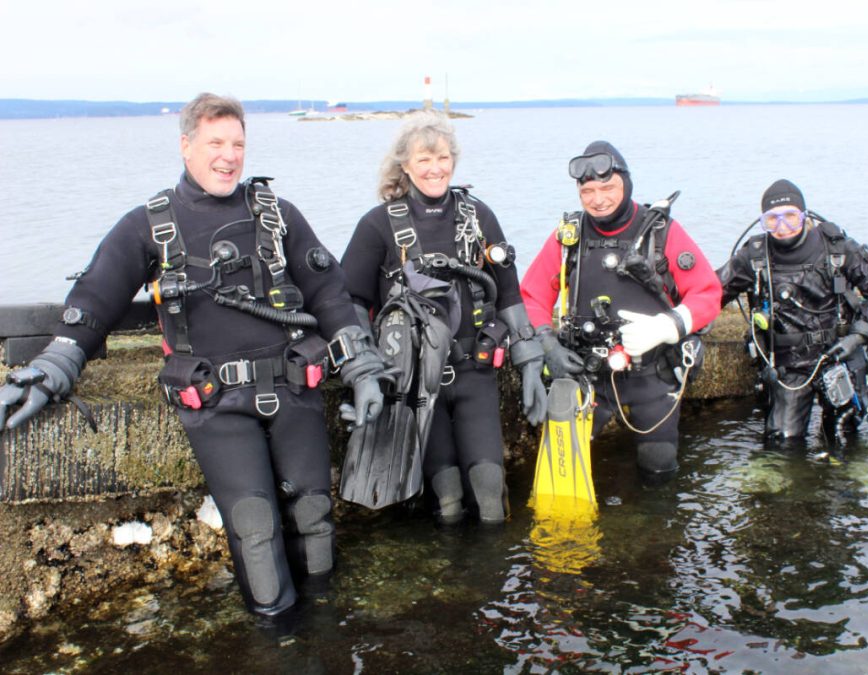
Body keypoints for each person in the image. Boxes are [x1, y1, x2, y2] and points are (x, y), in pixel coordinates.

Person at [0, 93, 385, 621]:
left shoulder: (278, 216)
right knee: (254, 527)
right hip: (215, 402)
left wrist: (362, 367)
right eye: (215, 143)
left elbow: (330, 296)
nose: (229, 156)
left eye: (238, 144)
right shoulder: (150, 224)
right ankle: (278, 639)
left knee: (315, 516)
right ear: (186, 145)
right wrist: (55, 366)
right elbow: (94, 302)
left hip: (293, 388)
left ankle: (325, 628)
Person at [339, 110, 546, 525]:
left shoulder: (478, 216)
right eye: (424, 159)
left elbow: (508, 293)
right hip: (415, 381)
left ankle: (491, 566)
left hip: (474, 372)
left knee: (490, 494)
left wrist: (530, 363)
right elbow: (351, 302)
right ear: (405, 165)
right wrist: (365, 373)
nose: (435, 168)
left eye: (443, 157)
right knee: (447, 498)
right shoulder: (377, 225)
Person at [520, 141, 722, 484]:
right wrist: (547, 343)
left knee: (659, 470)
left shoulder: (661, 232)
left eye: (608, 188)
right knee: (562, 473)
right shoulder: (568, 238)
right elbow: (531, 296)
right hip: (587, 374)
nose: (598, 199)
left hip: (652, 374)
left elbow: (707, 293)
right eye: (588, 191)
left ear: (626, 184)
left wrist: (666, 327)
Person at [715, 179, 868, 446]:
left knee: (845, 437)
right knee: (782, 443)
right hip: (789, 364)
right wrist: (674, 319)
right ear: (763, 222)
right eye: (772, 220)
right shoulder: (754, 256)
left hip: (839, 354)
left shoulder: (836, 248)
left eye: (790, 217)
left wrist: (859, 336)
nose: (782, 227)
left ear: (804, 216)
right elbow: (711, 292)